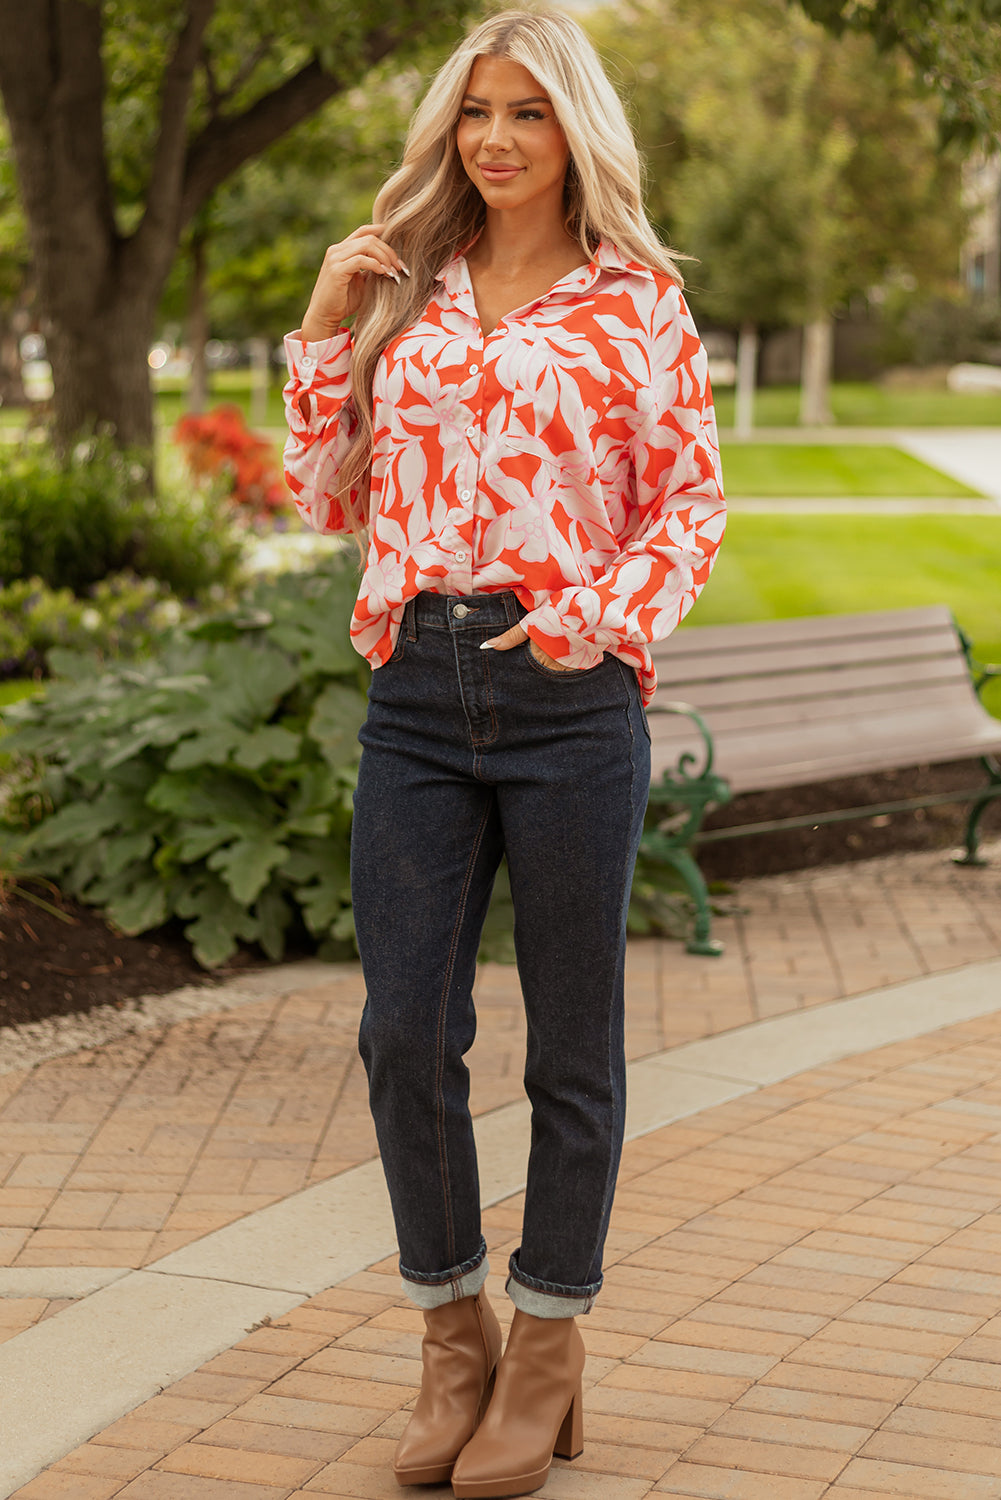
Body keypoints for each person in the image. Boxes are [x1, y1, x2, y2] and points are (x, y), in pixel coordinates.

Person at [283, 9, 725, 1496]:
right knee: (403, 1034)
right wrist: (324, 324)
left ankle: (548, 1346)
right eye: (477, 111)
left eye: (529, 113)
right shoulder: (412, 291)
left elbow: (690, 512)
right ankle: (450, 1338)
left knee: (572, 1048)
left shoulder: (636, 303)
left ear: (572, 130)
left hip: (567, 699)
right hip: (414, 687)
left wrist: (592, 620)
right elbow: (321, 497)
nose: (495, 138)